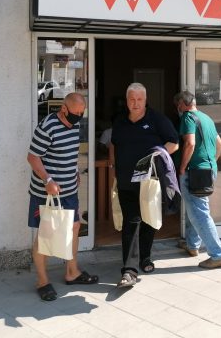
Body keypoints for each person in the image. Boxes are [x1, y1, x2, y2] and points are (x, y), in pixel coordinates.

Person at [27, 92, 99, 301]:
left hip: (69, 191)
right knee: (46, 234)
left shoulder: (75, 125)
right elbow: (33, 157)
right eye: (75, 113)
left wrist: (74, 171)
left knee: (75, 227)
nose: (78, 117)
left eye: (82, 113)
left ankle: (72, 272)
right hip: (46, 193)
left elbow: (70, 153)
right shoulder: (47, 126)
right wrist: (48, 180)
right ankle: (42, 281)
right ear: (63, 108)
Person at [110, 83, 179, 287]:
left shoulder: (157, 119)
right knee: (131, 221)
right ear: (127, 100)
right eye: (132, 99)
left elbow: (174, 142)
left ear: (145, 100)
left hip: (148, 180)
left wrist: (156, 155)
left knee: (148, 219)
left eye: (139, 99)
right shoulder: (120, 120)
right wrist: (114, 166)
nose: (136, 103)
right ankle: (129, 270)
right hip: (125, 180)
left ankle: (145, 257)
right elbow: (114, 144)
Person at [174, 90, 221, 269]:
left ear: (181, 104)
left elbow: (190, 143)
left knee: (199, 213)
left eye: (178, 105)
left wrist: (182, 167)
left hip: (195, 172)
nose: (178, 108)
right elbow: (220, 144)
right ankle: (192, 245)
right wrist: (212, 162)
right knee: (195, 209)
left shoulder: (188, 118)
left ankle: (218, 254)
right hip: (208, 170)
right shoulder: (207, 118)